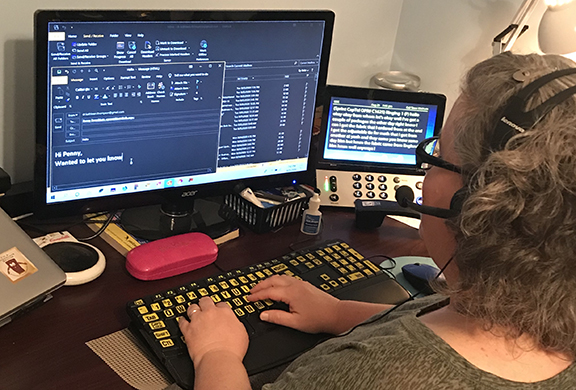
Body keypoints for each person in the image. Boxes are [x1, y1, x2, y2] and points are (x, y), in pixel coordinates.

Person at [178, 52, 576, 389]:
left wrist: (217, 354)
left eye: (436, 155)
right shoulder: (517, 300)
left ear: (478, 203)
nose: (426, 171)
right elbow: (437, 314)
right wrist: (336, 313)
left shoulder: (361, 374)